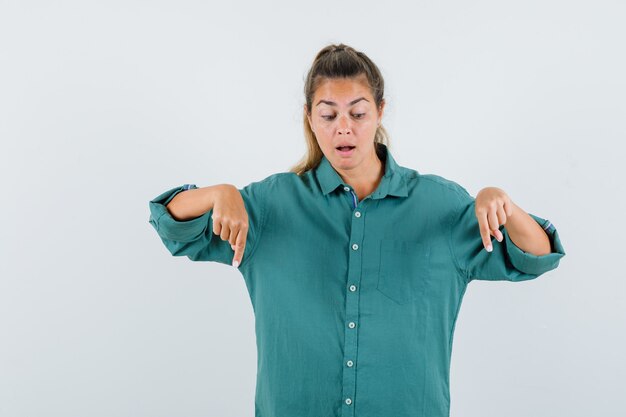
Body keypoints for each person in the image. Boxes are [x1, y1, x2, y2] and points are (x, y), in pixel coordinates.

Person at [148, 43, 566, 417]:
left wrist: (503, 204)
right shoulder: (268, 206)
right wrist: (218, 193)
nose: (343, 127)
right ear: (310, 118)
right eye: (328, 114)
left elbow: (538, 255)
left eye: (358, 113)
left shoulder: (441, 206)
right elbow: (169, 221)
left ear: (380, 112)